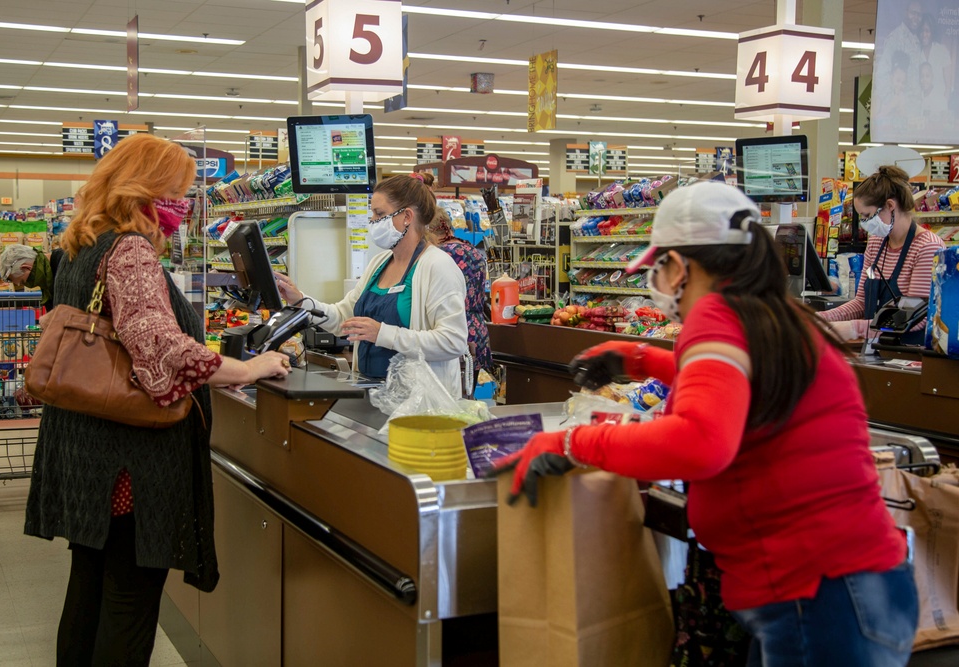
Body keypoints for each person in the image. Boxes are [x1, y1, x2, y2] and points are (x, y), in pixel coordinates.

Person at [495, 182, 918, 667]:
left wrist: (573, 441)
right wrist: (641, 359)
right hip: (847, 586)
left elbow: (701, 441)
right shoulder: (768, 314)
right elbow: (745, 392)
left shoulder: (718, 315)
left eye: (661, 265)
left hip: (817, 596)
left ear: (682, 264)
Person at [24, 133, 291, 667]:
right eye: (176, 192)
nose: (184, 205)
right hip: (128, 460)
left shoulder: (79, 246)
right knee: (130, 595)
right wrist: (248, 367)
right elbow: (158, 348)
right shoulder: (130, 250)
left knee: (89, 585)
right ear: (142, 190)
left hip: (83, 446)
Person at [275, 175, 468, 398]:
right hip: (372, 395)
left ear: (407, 216)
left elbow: (453, 341)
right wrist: (300, 300)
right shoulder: (379, 263)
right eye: (372, 214)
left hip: (418, 405)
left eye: (380, 214)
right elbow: (343, 319)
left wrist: (383, 334)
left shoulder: (438, 267)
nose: (373, 221)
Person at [821, 165, 944, 342]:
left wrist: (855, 329)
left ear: (890, 206)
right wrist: (822, 318)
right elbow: (862, 303)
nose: (864, 223)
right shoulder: (876, 242)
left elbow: (915, 317)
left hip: (911, 354)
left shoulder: (927, 248)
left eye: (867, 215)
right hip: (877, 347)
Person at [427, 208, 492, 392]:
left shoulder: (437, 256)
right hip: (477, 330)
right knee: (468, 395)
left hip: (450, 329)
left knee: (444, 397)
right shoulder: (475, 252)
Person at [0, 243, 64, 308]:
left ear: (26, 267)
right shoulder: (46, 280)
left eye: (23, 282)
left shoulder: (64, 262)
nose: (29, 285)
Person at [919, 13, 951, 107]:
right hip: (922, 105)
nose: (924, 34)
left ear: (932, 32)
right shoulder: (917, 52)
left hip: (940, 104)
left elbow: (948, 85)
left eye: (927, 31)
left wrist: (945, 102)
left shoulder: (942, 50)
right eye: (921, 31)